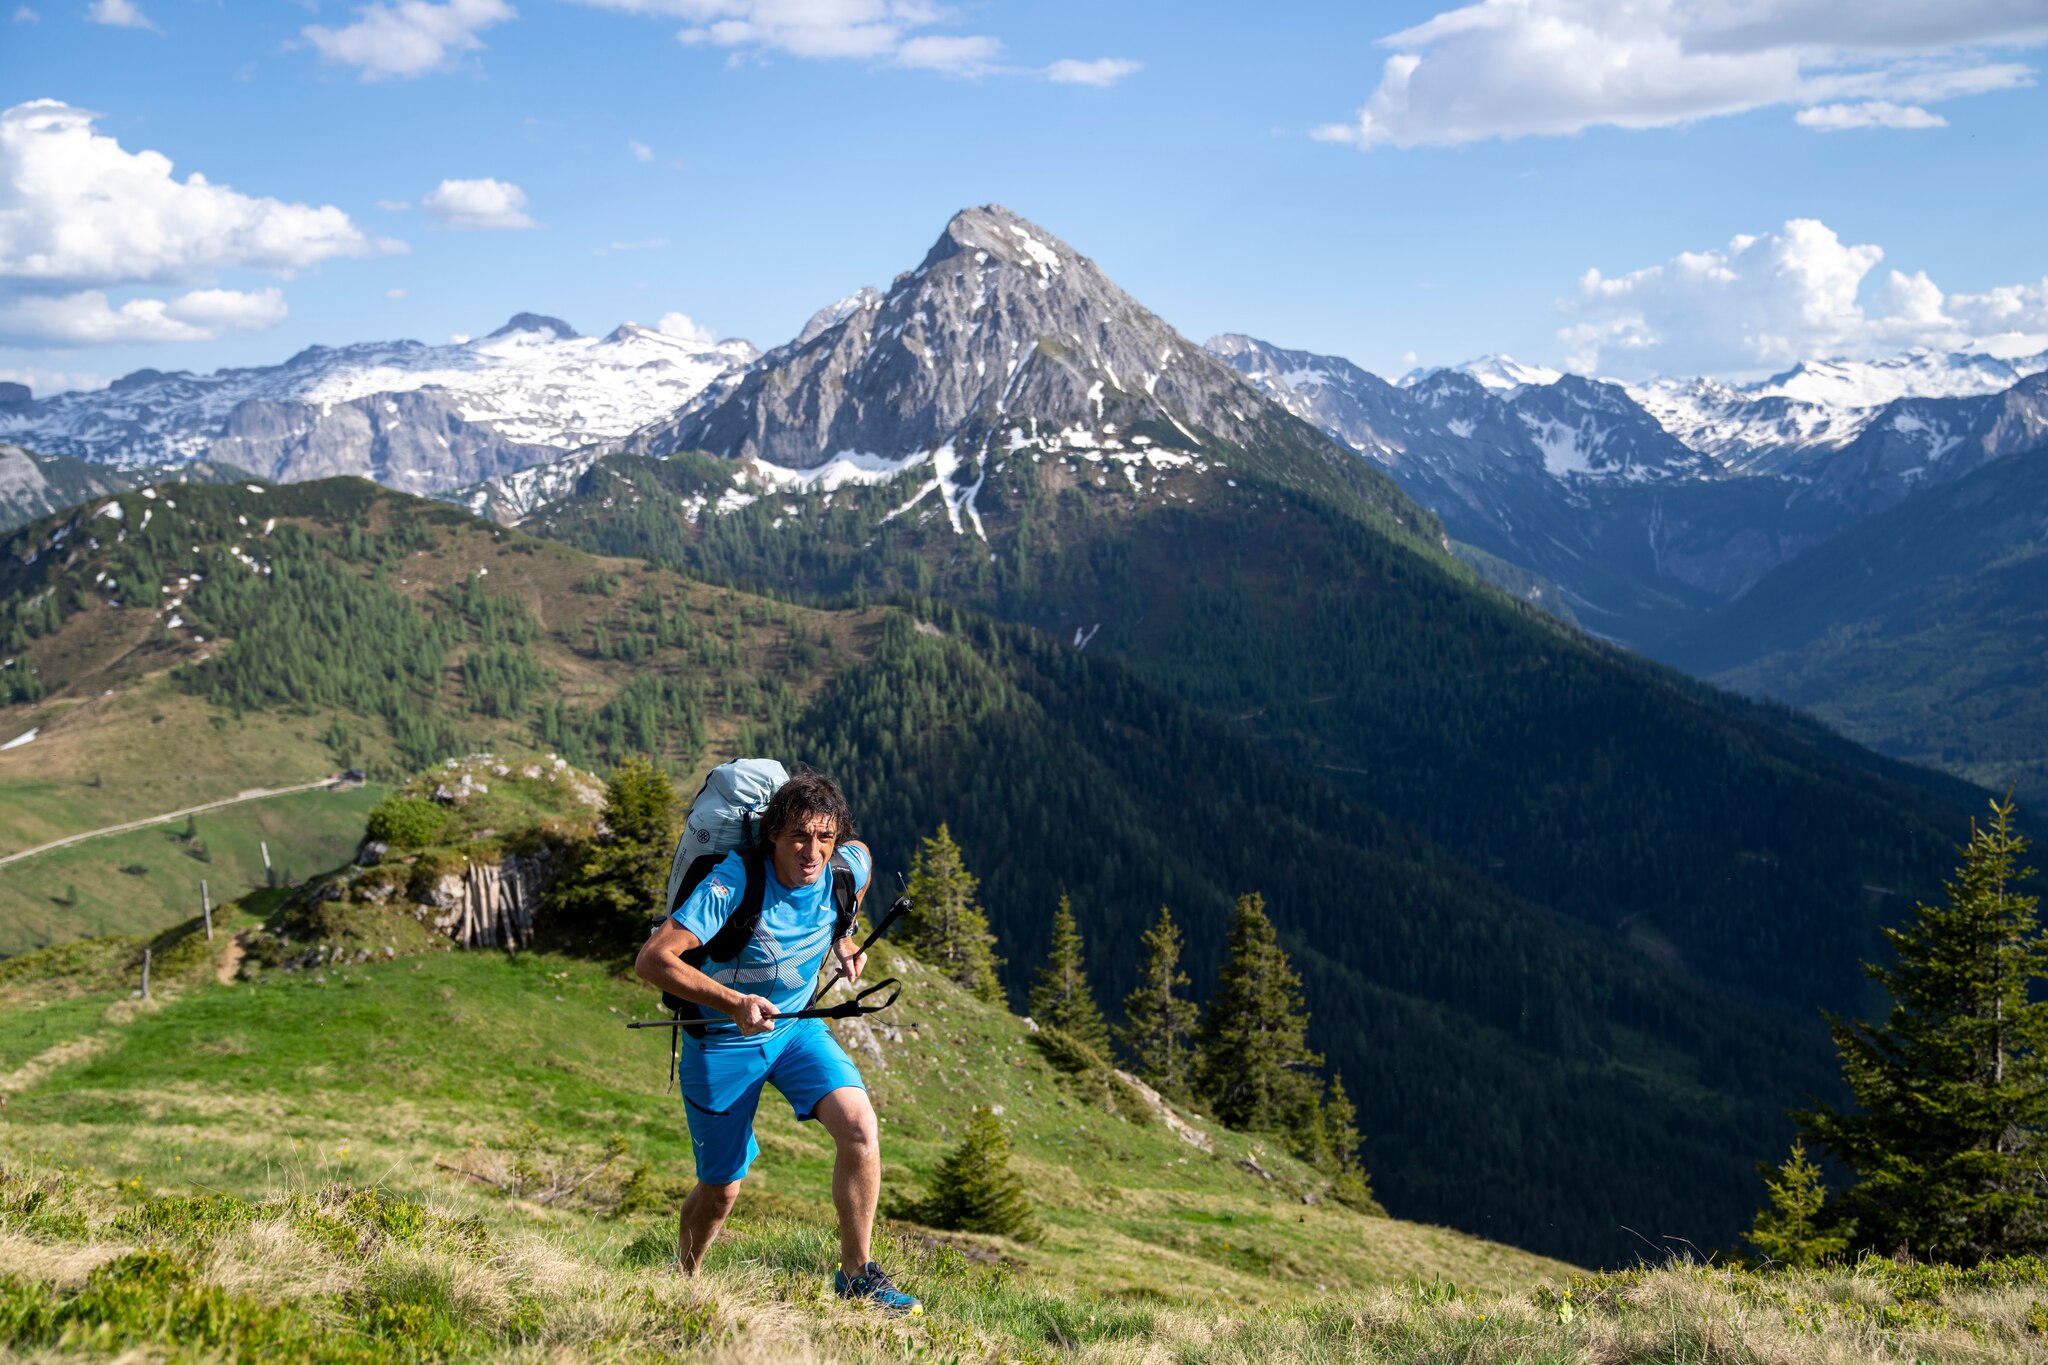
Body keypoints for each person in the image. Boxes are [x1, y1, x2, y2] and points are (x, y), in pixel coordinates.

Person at [634, 771, 921, 1316]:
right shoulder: (735, 880)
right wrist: (731, 1003)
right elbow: (653, 958)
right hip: (720, 1040)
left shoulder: (842, 867)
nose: (811, 851)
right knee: (721, 1191)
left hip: (795, 1029)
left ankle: (857, 1276)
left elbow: (861, 859)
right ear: (771, 834)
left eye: (823, 837)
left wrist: (844, 933)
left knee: (860, 1128)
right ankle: (683, 1283)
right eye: (797, 836)